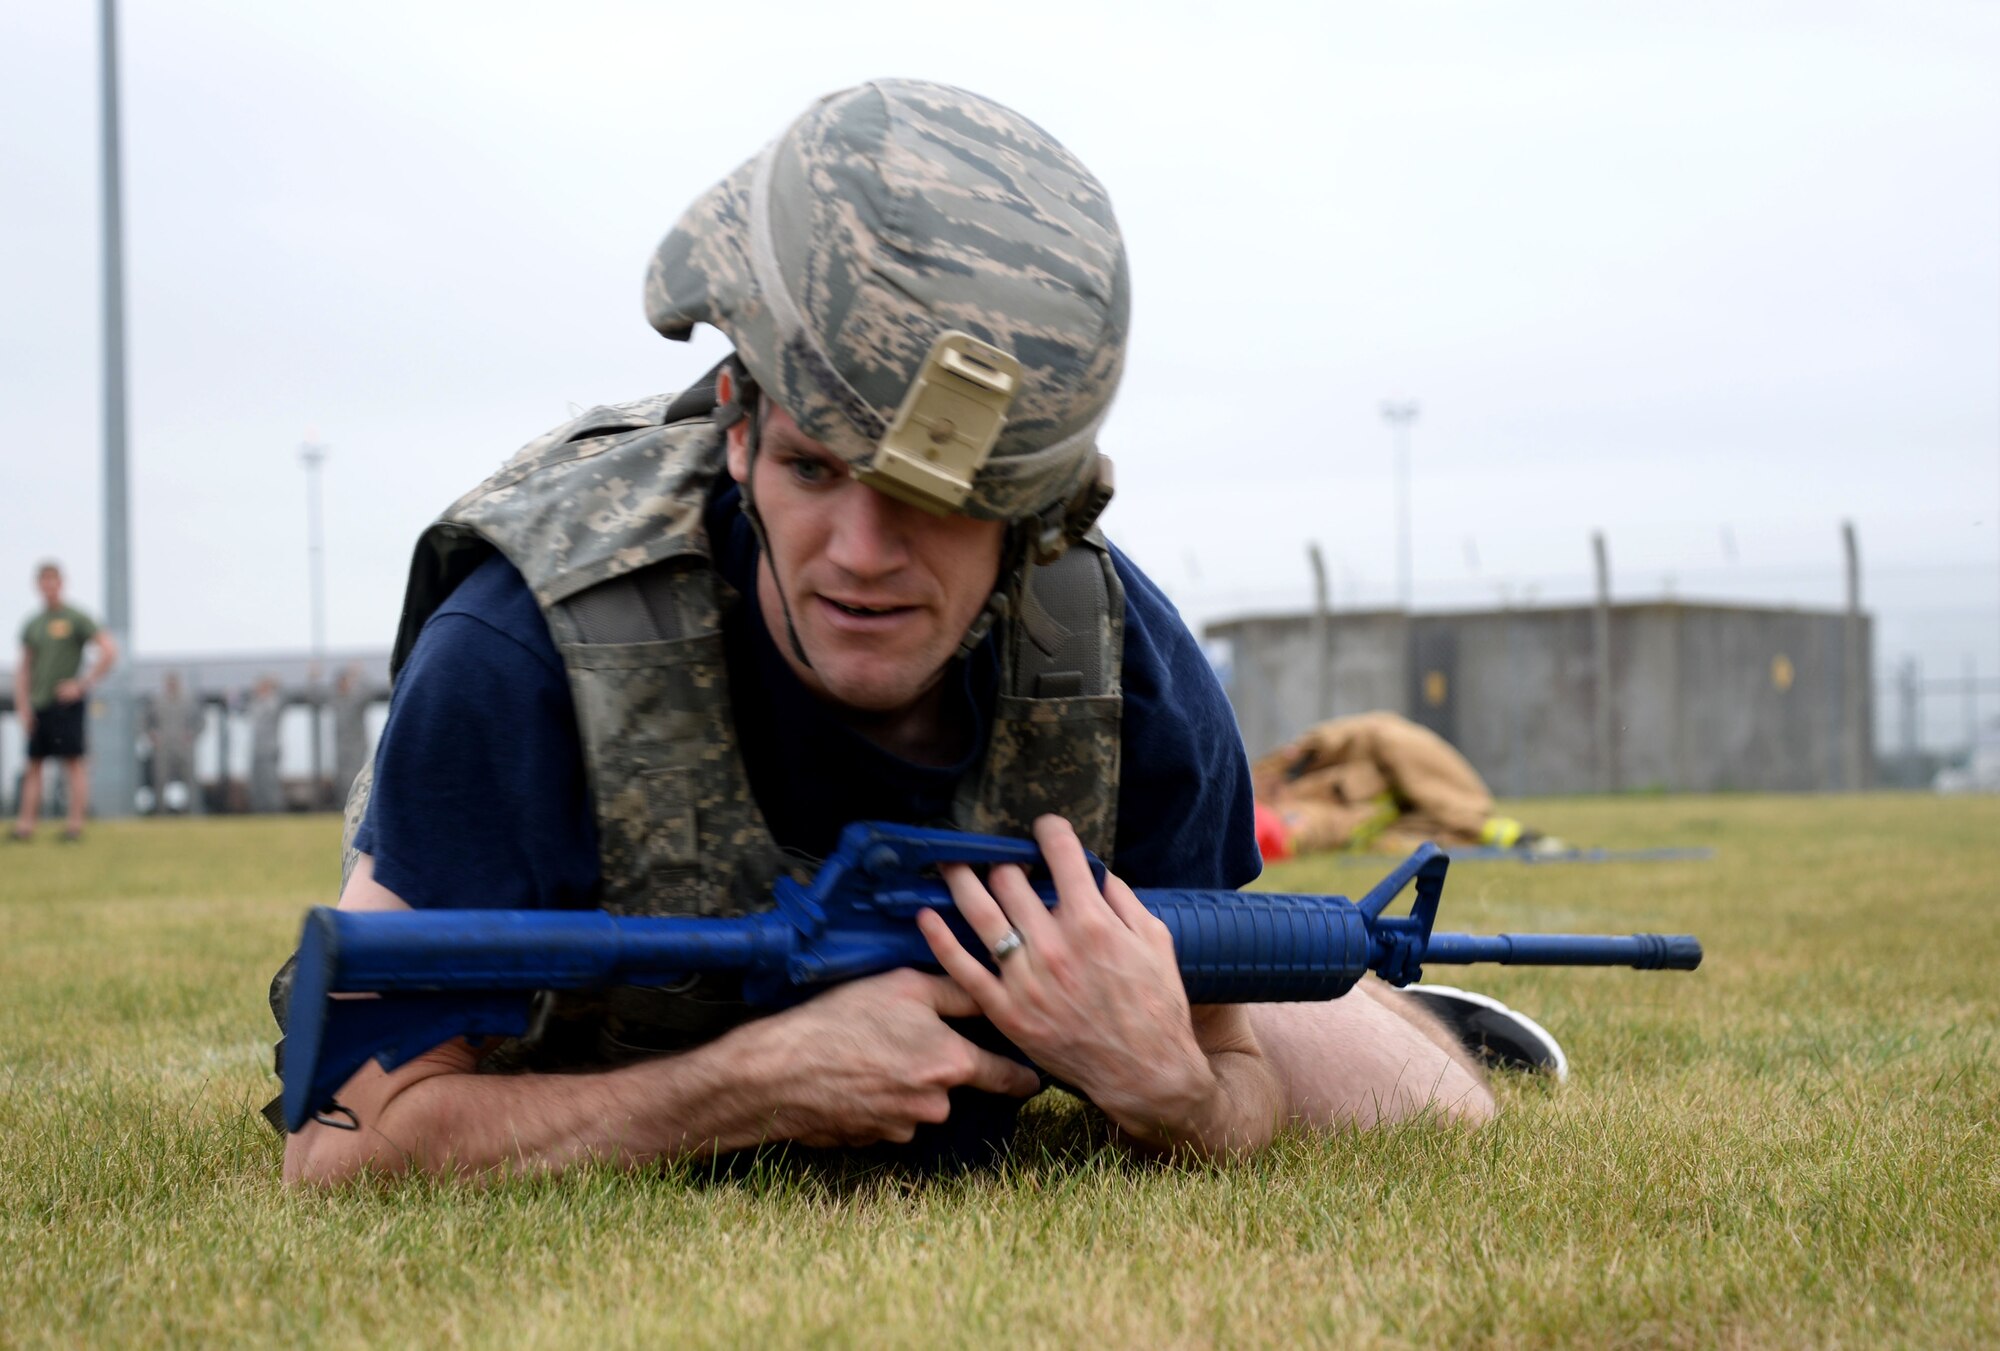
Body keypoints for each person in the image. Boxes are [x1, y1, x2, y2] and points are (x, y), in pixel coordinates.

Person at [277, 81, 1493, 1185]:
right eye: (814, 467)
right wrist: (744, 1087)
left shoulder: (1124, 671)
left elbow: (1234, 1081)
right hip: (582, 1021)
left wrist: (1172, 1093)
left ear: (1026, 516)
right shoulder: (526, 648)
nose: (859, 552)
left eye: (928, 498)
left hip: (1042, 976)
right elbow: (342, 1150)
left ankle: (1400, 1000)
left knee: (1437, 1109)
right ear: (737, 430)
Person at [12, 561, 118, 842]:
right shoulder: (33, 625)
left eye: (53, 581)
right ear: (38, 586)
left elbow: (109, 650)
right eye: (43, 582)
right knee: (33, 764)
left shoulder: (76, 618)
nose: (48, 587)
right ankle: (25, 827)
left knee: (73, 763)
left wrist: (82, 684)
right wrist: (22, 707)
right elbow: (23, 668)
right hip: (39, 704)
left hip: (66, 703)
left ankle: (74, 827)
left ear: (61, 583)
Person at [147, 671, 204, 814]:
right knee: (160, 780)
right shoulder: (157, 701)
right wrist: (153, 736)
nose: (172, 686)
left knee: (190, 781)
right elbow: (146, 722)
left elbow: (201, 722)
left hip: (184, 747)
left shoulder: (188, 700)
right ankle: (161, 813)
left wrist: (192, 735)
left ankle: (193, 812)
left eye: (174, 683)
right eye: (169, 683)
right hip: (163, 748)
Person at [329, 664, 372, 806]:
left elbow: (368, 693)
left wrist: (359, 676)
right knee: (342, 780)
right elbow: (315, 697)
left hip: (356, 747)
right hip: (341, 747)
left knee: (357, 778)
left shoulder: (356, 699)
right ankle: (343, 807)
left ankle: (358, 807)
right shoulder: (336, 700)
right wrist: (313, 678)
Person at [245, 676, 284, 813]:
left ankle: (274, 811)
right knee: (257, 785)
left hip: (269, 751)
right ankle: (259, 811)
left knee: (270, 784)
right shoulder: (255, 703)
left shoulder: (272, 702)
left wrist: (275, 685)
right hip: (257, 751)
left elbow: (281, 699)